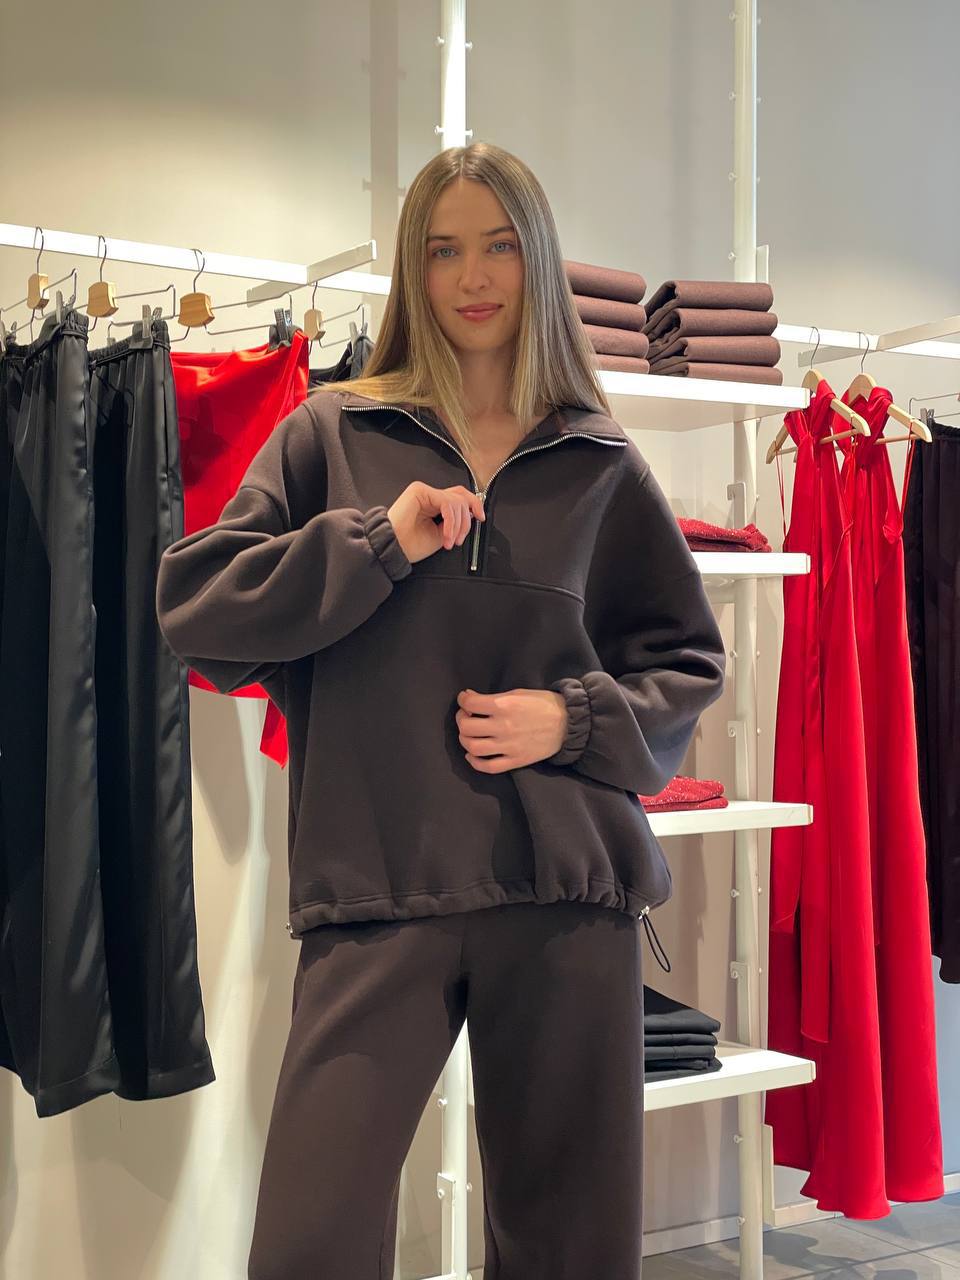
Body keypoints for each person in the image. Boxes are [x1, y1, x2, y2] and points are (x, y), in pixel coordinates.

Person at [156, 141, 725, 1280]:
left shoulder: (599, 461)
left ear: (537, 260)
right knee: (310, 1243)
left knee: (569, 1248)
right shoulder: (333, 433)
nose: (473, 277)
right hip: (378, 888)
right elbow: (198, 613)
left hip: (564, 894)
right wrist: (378, 542)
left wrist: (571, 721)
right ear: (413, 270)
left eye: (500, 246)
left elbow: (686, 665)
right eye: (443, 248)